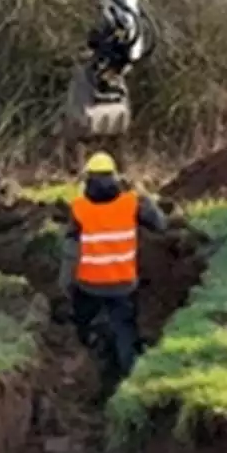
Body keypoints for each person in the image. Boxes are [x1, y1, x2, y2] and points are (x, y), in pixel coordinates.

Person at [59, 151, 166, 399]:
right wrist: (145, 198)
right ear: (115, 178)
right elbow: (160, 224)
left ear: (87, 181)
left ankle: (88, 369)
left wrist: (66, 284)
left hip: (89, 286)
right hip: (123, 285)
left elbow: (70, 250)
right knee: (125, 331)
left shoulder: (80, 209)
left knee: (82, 325)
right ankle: (129, 382)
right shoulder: (131, 203)